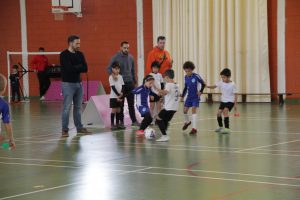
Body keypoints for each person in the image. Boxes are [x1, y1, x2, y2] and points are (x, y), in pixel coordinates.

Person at [60, 35, 91, 137]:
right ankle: (65, 129)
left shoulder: (80, 54)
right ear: (70, 43)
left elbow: (85, 68)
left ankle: (79, 127)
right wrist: (79, 66)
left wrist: (75, 67)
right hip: (68, 84)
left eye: (79, 43)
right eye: (77, 43)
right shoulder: (64, 55)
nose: (79, 45)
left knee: (78, 107)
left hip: (79, 84)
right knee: (66, 108)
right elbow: (69, 69)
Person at [107, 41, 140, 127]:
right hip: (121, 85)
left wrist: (135, 81)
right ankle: (121, 122)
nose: (126, 49)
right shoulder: (115, 57)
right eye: (124, 48)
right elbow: (108, 68)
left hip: (130, 84)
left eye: (128, 48)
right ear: (121, 48)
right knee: (120, 105)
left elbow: (133, 70)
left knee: (131, 104)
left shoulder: (131, 57)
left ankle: (134, 121)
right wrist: (113, 74)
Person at [206, 68, 238, 134]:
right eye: (222, 77)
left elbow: (236, 94)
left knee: (225, 111)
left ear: (229, 77)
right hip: (223, 101)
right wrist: (207, 86)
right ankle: (220, 127)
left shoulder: (233, 84)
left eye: (224, 77)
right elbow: (214, 86)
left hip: (230, 101)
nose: (223, 79)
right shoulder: (221, 82)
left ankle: (227, 128)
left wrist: (235, 104)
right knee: (218, 113)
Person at [181, 61, 206, 135]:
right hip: (189, 97)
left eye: (188, 71)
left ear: (192, 70)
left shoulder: (196, 76)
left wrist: (201, 91)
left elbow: (203, 84)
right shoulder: (185, 77)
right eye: (186, 71)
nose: (187, 72)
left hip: (195, 96)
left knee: (193, 110)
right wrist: (182, 96)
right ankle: (187, 122)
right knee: (184, 111)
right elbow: (185, 87)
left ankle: (194, 129)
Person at [155, 69, 179, 142]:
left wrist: (157, 89)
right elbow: (173, 94)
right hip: (174, 107)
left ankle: (164, 136)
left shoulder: (169, 84)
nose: (164, 79)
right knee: (165, 120)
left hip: (169, 107)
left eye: (164, 78)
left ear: (167, 77)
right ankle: (164, 134)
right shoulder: (176, 85)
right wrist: (163, 98)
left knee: (158, 119)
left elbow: (165, 92)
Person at [0, 73, 16, 149]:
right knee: (5, 145)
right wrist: (11, 139)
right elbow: (7, 123)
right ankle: (9, 145)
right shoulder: (3, 104)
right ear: (3, 89)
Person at [109, 61, 126, 130]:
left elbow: (123, 85)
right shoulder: (111, 77)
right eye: (116, 69)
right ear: (112, 69)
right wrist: (118, 94)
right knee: (114, 110)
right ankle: (112, 124)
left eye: (118, 69)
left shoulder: (120, 77)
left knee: (119, 110)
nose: (117, 70)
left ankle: (117, 123)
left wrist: (122, 92)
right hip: (113, 97)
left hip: (120, 96)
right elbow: (113, 87)